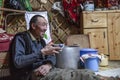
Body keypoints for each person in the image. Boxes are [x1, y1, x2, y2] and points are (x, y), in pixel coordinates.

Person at [9, 15, 61, 80]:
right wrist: (41, 53)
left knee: (73, 73)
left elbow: (51, 56)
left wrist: (48, 65)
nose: (45, 28)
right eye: (43, 25)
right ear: (33, 26)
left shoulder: (41, 41)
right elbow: (18, 61)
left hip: (43, 71)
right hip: (27, 75)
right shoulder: (21, 38)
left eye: (46, 25)